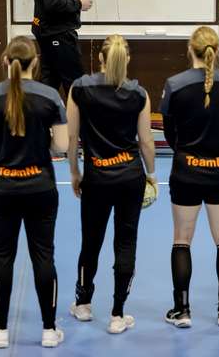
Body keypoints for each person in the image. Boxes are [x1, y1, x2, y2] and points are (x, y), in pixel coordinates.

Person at [0, 36, 69, 349]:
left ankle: (0, 332)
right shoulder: (50, 96)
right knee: (44, 256)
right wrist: (45, 143)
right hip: (40, 187)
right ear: (35, 62)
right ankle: (49, 330)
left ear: (5, 61)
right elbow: (63, 146)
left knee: (3, 257)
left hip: (3, 189)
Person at [66, 35, 157, 334]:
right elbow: (146, 142)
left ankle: (83, 303)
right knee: (126, 242)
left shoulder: (79, 89)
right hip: (130, 177)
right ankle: (118, 314)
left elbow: (70, 138)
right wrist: (152, 174)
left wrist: (75, 172)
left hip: (96, 178)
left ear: (100, 60)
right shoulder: (139, 94)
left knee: (90, 241)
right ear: (127, 59)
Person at [160, 26, 219, 328]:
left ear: (190, 50)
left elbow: (170, 133)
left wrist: (187, 152)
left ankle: (182, 311)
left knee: (182, 240)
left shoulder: (174, 85)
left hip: (186, 170)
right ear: (217, 50)